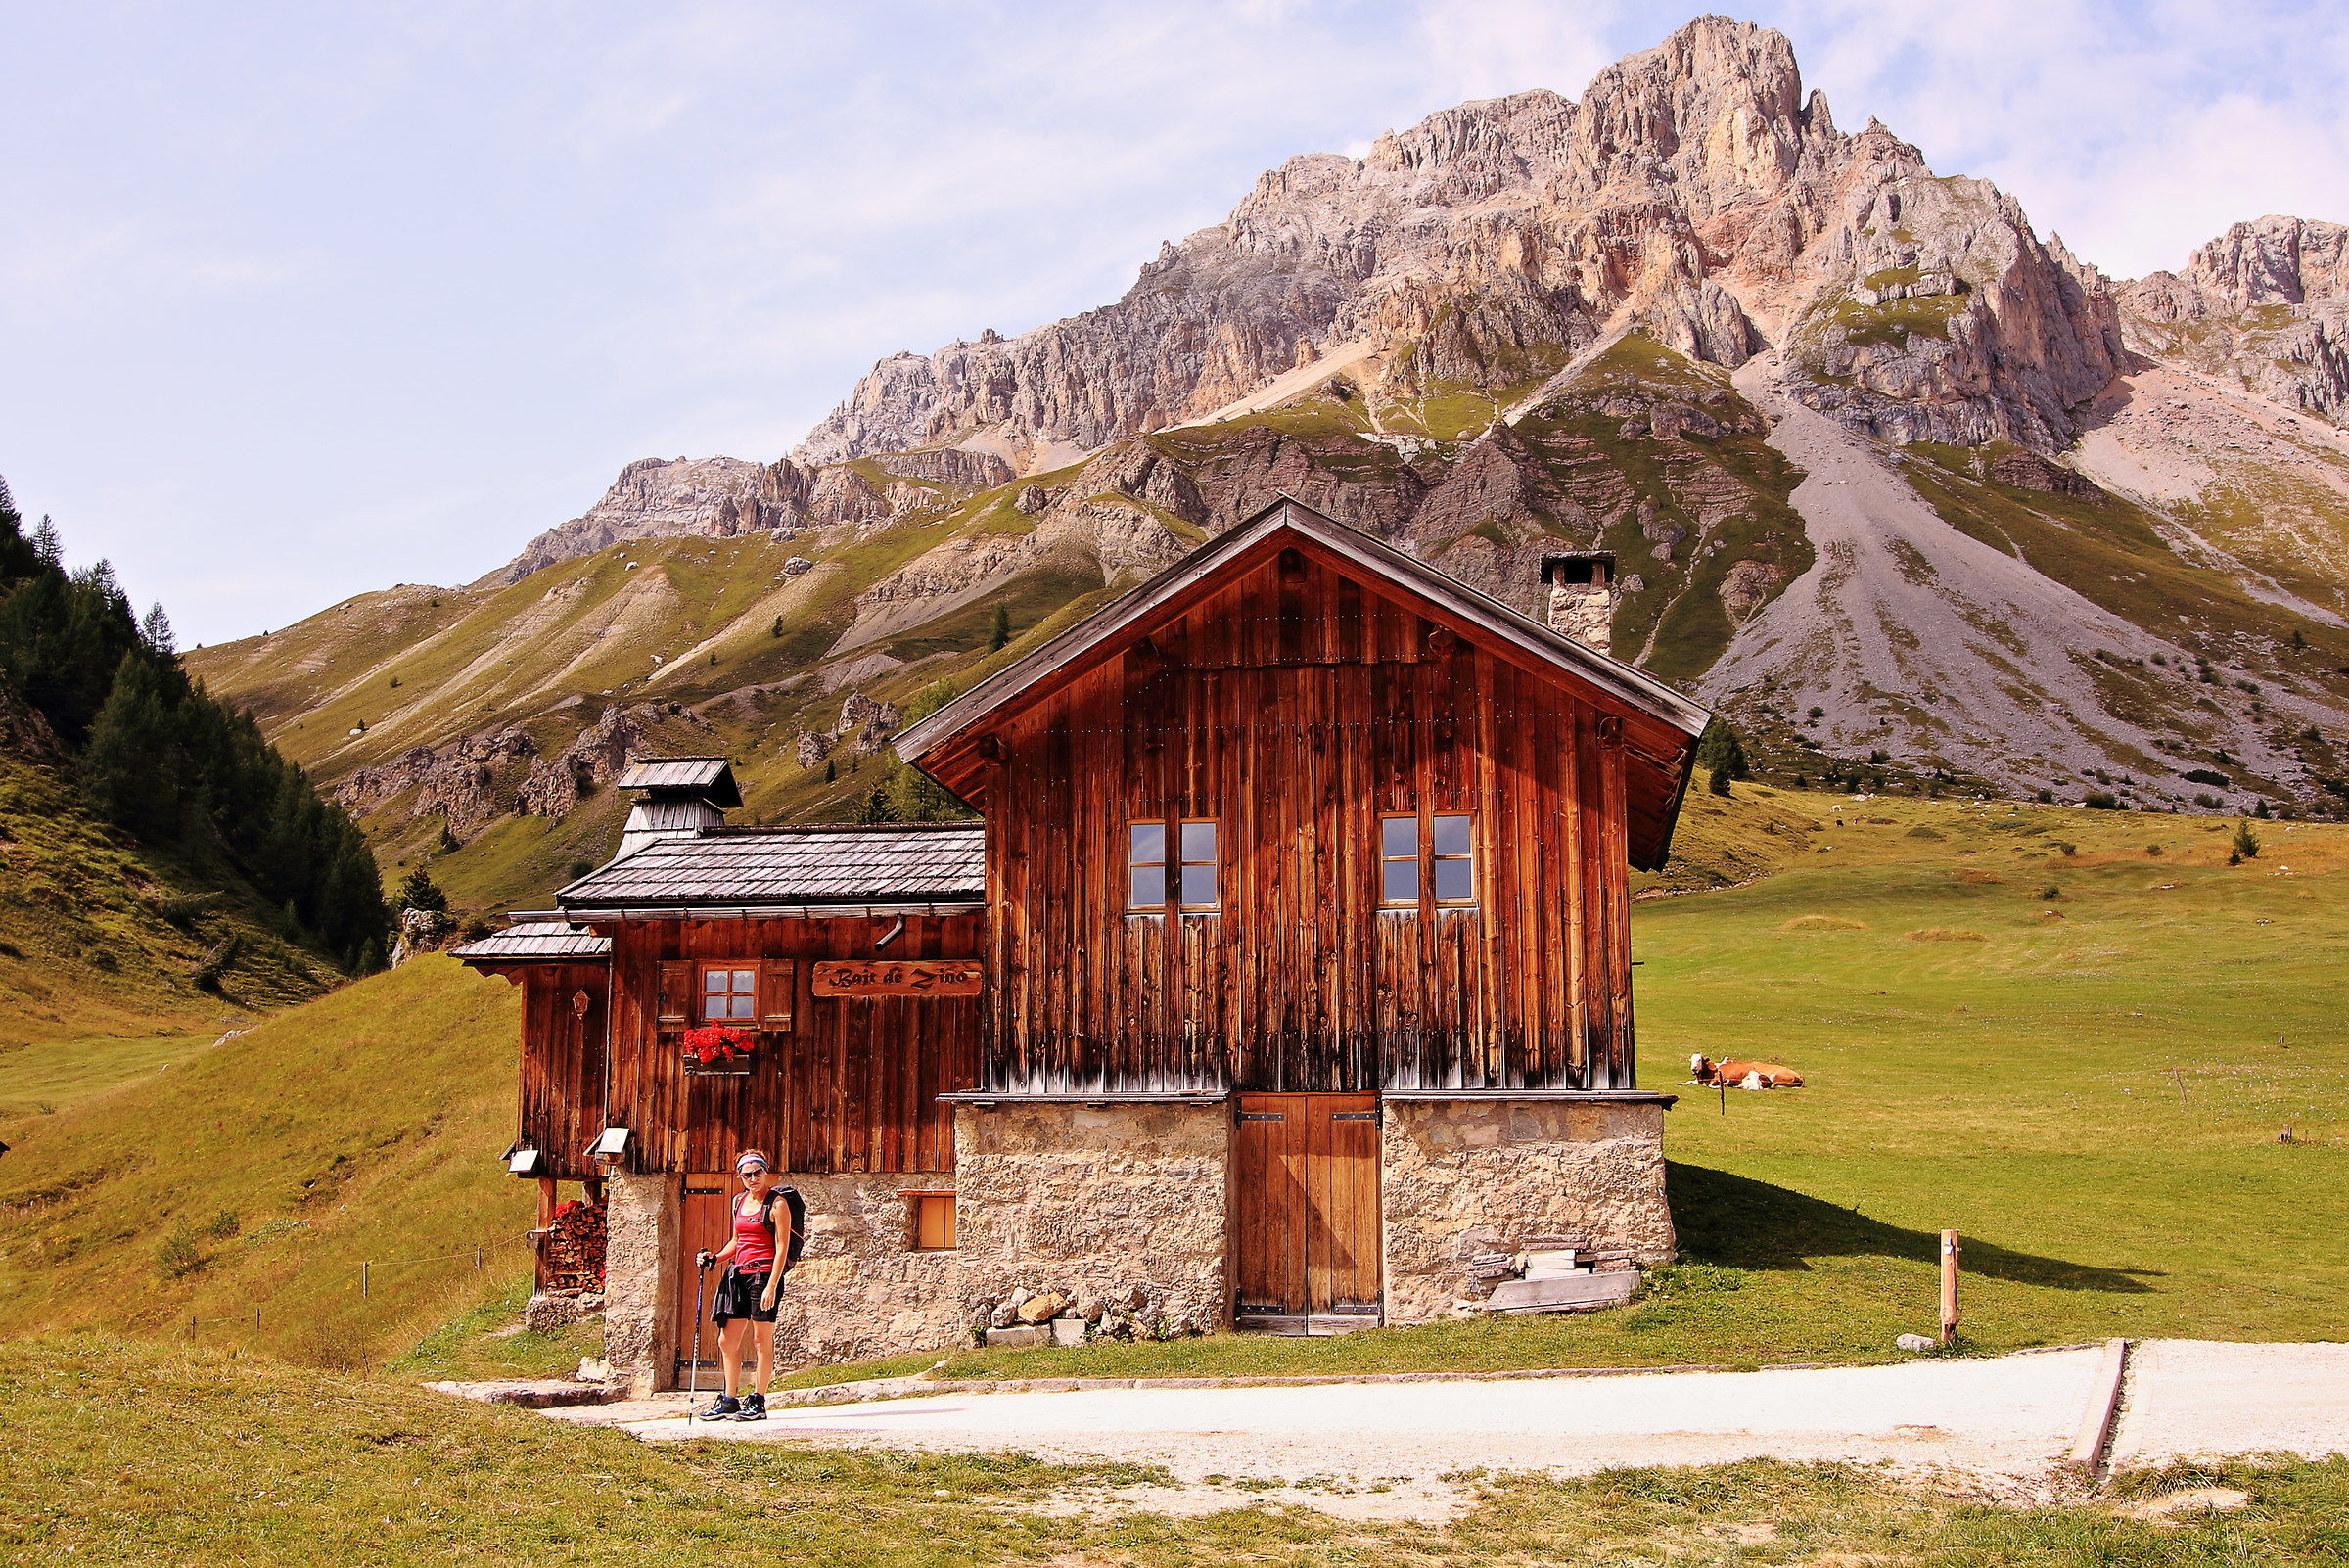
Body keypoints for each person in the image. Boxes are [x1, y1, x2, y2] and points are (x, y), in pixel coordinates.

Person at [694, 1149, 806, 1420]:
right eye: (747, 1174)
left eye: (758, 1173)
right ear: (740, 1176)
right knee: (726, 1340)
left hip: (764, 1275)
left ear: (766, 1172)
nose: (753, 1178)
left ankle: (758, 1400)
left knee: (761, 1340)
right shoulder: (739, 1201)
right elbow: (737, 1241)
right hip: (738, 1275)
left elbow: (782, 1247)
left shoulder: (777, 1204)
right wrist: (715, 1258)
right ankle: (729, 1399)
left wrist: (772, 1285)